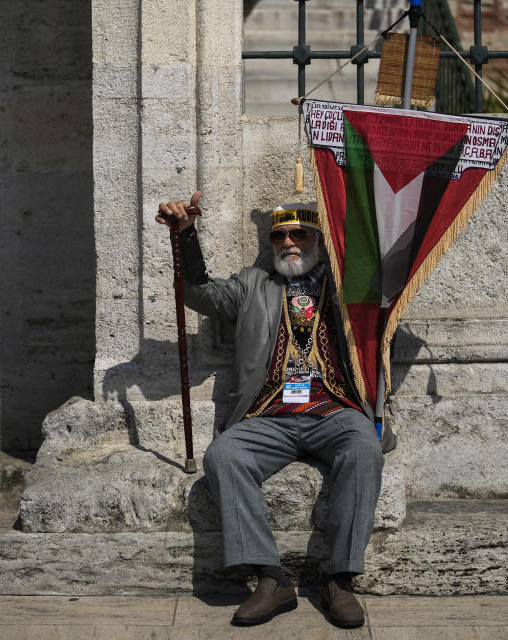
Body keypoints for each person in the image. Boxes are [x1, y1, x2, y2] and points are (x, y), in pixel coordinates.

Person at [157, 192, 395, 629]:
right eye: (280, 235)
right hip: (270, 411)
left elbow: (391, 299)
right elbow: (199, 294)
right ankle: (270, 578)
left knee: (365, 447)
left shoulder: (349, 287)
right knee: (224, 455)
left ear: (319, 242)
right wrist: (185, 236)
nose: (289, 242)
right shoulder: (253, 283)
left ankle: (339, 579)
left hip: (333, 408)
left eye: (300, 234)